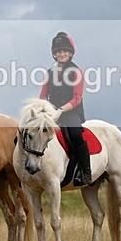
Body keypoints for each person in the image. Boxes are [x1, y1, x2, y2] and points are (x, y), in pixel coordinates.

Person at [39, 31, 91, 186]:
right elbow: (43, 95)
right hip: (51, 111)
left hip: (71, 112)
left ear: (70, 54)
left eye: (65, 51)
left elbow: (76, 98)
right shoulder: (49, 73)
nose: (62, 54)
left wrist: (60, 110)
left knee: (75, 134)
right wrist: (41, 108)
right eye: (59, 52)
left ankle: (86, 171)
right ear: (54, 54)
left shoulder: (76, 72)